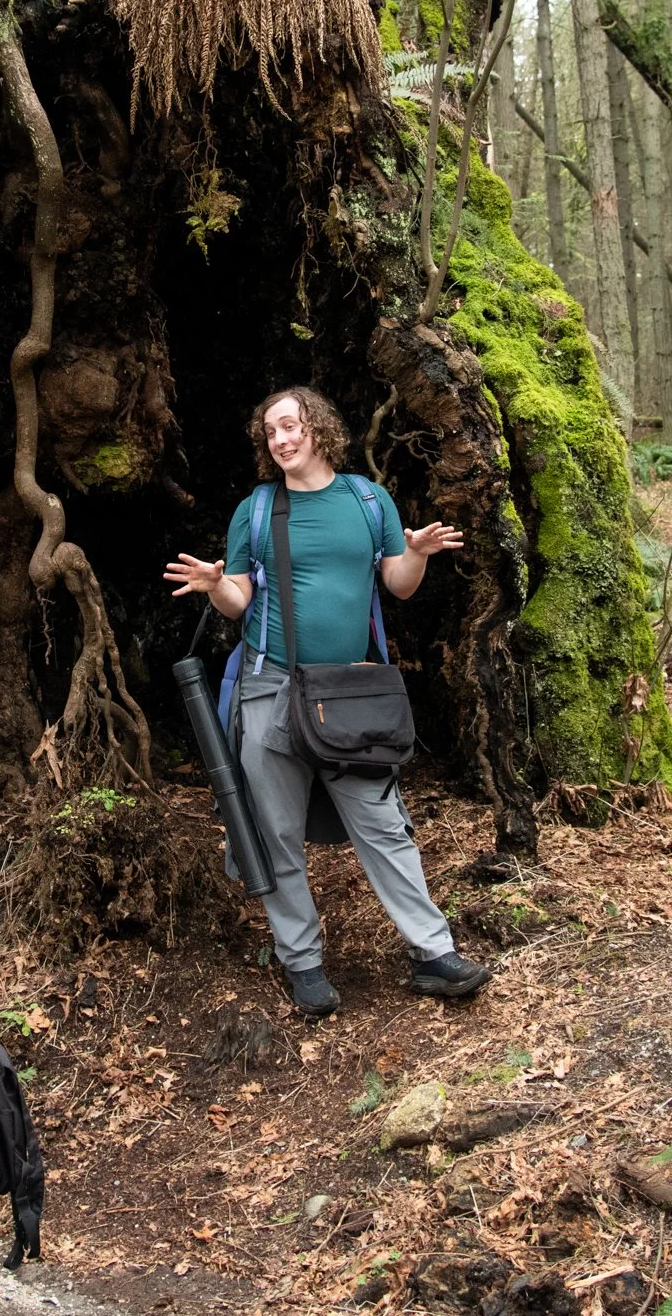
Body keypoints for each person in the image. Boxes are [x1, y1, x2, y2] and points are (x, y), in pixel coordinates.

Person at [163, 386, 492, 1018]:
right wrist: (214, 585)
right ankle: (303, 962)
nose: (281, 440)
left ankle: (432, 952)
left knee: (383, 823)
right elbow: (237, 599)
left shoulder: (368, 502)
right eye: (270, 434)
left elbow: (396, 585)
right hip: (270, 686)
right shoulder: (256, 511)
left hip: (348, 695)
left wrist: (417, 554)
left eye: (290, 427)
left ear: (318, 428)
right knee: (276, 829)